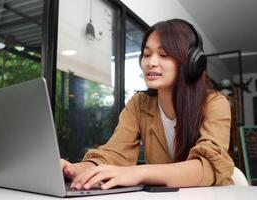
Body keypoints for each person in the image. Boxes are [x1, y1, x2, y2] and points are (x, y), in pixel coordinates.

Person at [61, 18, 234, 190]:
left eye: (164, 54)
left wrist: (139, 173)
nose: (151, 62)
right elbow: (115, 153)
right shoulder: (139, 103)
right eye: (147, 54)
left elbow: (208, 165)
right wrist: (73, 169)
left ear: (191, 63)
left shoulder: (215, 103)